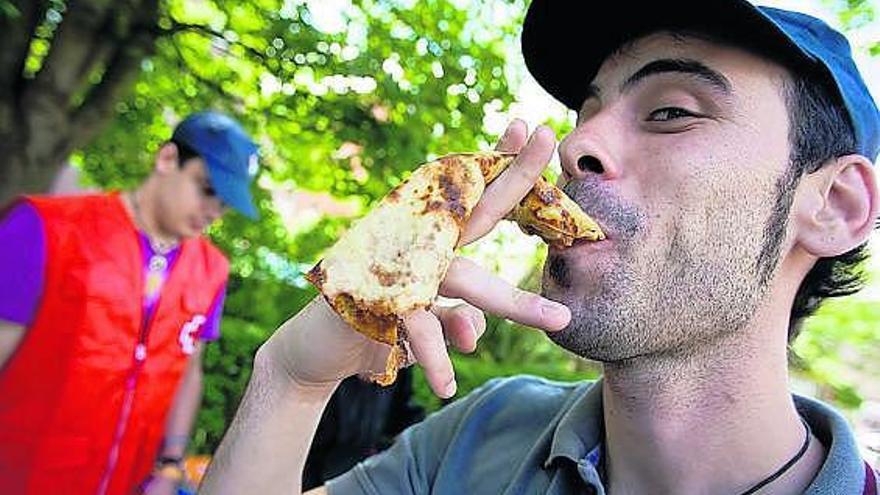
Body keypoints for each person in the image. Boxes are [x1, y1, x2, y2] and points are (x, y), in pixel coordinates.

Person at [200, 1, 880, 493]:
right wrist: (293, 380)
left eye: (671, 110)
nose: (574, 146)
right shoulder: (473, 441)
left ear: (836, 205)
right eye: (585, 115)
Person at [0, 111, 260, 495]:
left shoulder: (212, 269)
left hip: (123, 482)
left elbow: (190, 368)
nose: (212, 212)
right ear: (168, 159)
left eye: (224, 204)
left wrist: (171, 464)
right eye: (206, 189)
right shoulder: (46, 227)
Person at [302, 369, 425, 490]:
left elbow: (402, 414)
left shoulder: (393, 372)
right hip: (320, 472)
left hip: (369, 466)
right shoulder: (325, 376)